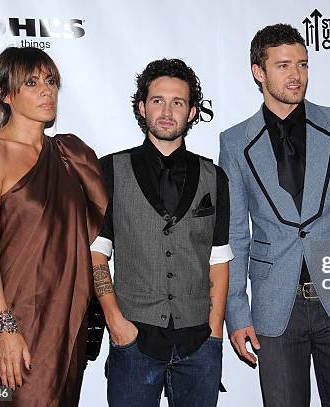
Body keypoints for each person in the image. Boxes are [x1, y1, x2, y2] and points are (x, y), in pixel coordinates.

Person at [219, 23, 330, 407]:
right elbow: (234, 235)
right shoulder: (234, 143)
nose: (296, 75)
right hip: (274, 306)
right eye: (282, 65)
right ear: (258, 72)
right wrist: (237, 311)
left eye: (302, 64)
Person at [0, 47, 107, 406]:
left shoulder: (72, 155)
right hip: (17, 319)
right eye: (31, 82)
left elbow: (96, 237)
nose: (47, 90)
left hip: (66, 317)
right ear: (5, 94)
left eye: (51, 81)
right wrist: (6, 330)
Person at [90, 58, 232, 407]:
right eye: (157, 100)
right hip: (134, 342)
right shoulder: (109, 170)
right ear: (142, 107)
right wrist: (115, 322)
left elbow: (219, 260)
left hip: (199, 344)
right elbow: (95, 253)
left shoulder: (215, 177)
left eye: (178, 102)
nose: (167, 111)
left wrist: (214, 334)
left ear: (193, 112)